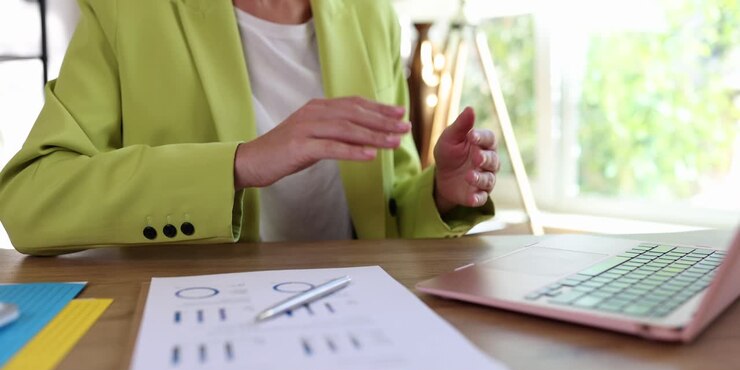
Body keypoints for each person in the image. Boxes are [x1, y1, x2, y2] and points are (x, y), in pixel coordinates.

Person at [0, 0, 500, 256]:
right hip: (197, 326)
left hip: (355, 318)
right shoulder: (127, 12)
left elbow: (386, 211)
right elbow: (31, 200)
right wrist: (240, 163)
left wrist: (439, 194)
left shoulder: (372, 15)